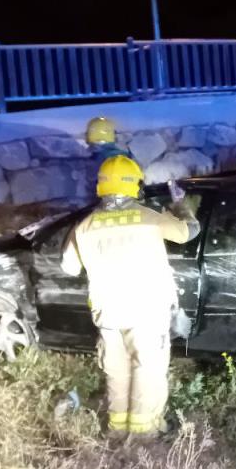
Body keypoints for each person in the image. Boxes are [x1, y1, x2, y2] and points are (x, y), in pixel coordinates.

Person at [60, 155, 200, 437]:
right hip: (146, 312)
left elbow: (68, 267)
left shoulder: (85, 226)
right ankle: (144, 435)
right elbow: (188, 233)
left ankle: (117, 429)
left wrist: (78, 227)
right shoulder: (147, 218)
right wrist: (181, 205)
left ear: (101, 187)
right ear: (133, 186)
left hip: (108, 316)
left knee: (117, 372)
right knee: (147, 370)